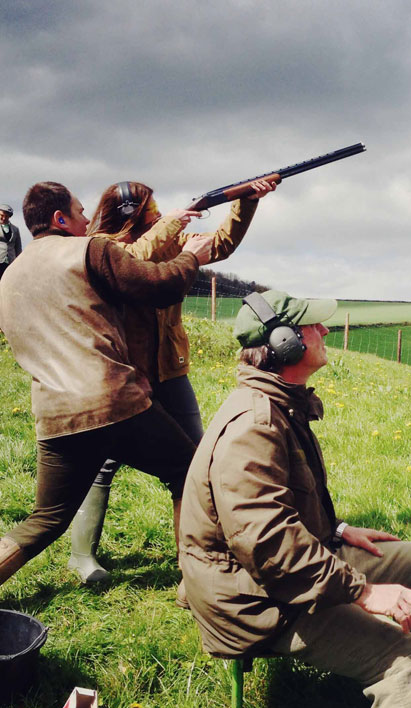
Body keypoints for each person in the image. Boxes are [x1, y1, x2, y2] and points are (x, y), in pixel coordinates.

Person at [179, 289, 411, 708]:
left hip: (281, 572)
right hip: (256, 599)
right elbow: (267, 543)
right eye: (315, 327)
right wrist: (362, 593)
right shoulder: (254, 424)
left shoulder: (277, 403)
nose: (326, 332)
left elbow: (278, 510)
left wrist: (336, 533)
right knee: (403, 660)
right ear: (284, 344)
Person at [0, 181, 212, 588]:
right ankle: (198, 582)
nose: (87, 222)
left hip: (54, 413)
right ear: (60, 219)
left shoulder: (9, 277)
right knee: (189, 471)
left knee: (45, 519)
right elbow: (158, 285)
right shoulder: (90, 251)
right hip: (112, 400)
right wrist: (190, 257)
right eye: (80, 213)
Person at [67, 179, 277, 583]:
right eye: (151, 207)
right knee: (102, 464)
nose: (158, 212)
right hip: (124, 374)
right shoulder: (101, 249)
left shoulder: (166, 239)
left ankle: (194, 561)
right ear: (131, 213)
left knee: (193, 462)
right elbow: (132, 261)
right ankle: (82, 557)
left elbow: (219, 245)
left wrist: (245, 203)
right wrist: (175, 222)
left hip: (170, 367)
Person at [0, 203, 22, 280]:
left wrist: (18, 261)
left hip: (10, 262)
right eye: (2, 215)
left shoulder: (15, 229)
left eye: (6, 216)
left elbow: (18, 247)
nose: (3, 218)